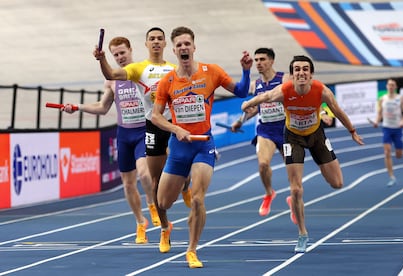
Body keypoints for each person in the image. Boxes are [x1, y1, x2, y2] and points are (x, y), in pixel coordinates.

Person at [151, 26, 253, 268]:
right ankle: (166, 228)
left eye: (188, 43)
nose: (184, 48)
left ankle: (192, 250)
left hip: (204, 145)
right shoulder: (167, 81)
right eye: (179, 45)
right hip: (178, 147)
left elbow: (240, 92)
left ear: (194, 47)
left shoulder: (212, 72)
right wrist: (177, 129)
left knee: (198, 200)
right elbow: (155, 116)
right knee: (162, 202)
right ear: (174, 50)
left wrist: (246, 71)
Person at [241, 55, 364, 254]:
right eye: (297, 69)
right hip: (293, 137)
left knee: (337, 183)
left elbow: (338, 111)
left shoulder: (321, 90)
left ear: (311, 74)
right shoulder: (285, 90)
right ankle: (302, 233)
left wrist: (352, 131)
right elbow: (264, 97)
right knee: (296, 189)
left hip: (316, 136)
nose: (301, 73)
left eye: (305, 69)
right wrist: (246, 104)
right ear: (292, 74)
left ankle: (301, 208)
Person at [93, 27, 192, 243]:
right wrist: (102, 60)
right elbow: (110, 76)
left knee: (172, 169)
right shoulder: (137, 69)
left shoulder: (174, 69)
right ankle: (149, 222)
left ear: (166, 44)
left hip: (171, 123)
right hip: (148, 127)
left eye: (159, 39)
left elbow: (189, 96)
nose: (156, 42)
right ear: (146, 44)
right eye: (152, 39)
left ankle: (185, 184)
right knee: (148, 180)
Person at [63, 36, 159, 244]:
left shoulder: (144, 72)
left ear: (131, 50)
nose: (120, 57)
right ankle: (140, 223)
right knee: (128, 184)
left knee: (144, 172)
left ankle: (152, 204)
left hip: (143, 131)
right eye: (115, 55)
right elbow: (102, 107)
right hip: (124, 135)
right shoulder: (112, 80)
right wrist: (77, 107)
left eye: (122, 53)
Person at [231, 48, 332, 218]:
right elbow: (255, 108)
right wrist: (240, 121)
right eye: (256, 60)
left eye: (262, 59)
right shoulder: (255, 85)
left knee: (294, 176)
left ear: (271, 61)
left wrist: (322, 113)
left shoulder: (284, 78)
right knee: (263, 165)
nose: (258, 63)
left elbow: (306, 94)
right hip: (266, 130)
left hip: (287, 130)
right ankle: (269, 193)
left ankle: (294, 200)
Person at [372, 78, 403, 186]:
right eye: (389, 84)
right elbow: (379, 113)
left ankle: (400, 147)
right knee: (387, 152)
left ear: (396, 87)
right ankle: (391, 176)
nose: (391, 86)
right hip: (387, 128)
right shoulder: (382, 99)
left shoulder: (400, 98)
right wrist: (376, 122)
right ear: (387, 86)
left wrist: (402, 121)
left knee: (399, 155)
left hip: (398, 128)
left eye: (393, 85)